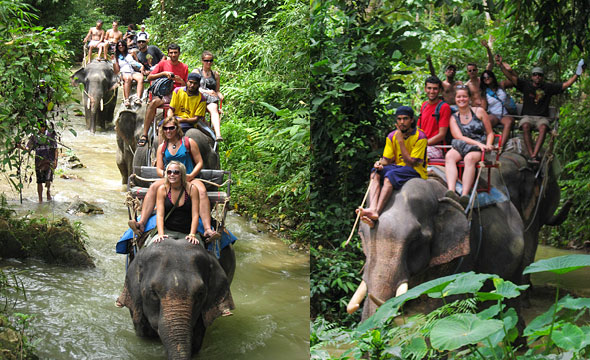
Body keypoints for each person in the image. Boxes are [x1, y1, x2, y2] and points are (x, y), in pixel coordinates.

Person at [129, 116, 219, 241]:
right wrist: (167, 175)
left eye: (171, 128)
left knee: (202, 191)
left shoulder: (188, 143)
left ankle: (208, 229)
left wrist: (191, 175)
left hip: (189, 178)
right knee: (154, 187)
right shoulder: (162, 147)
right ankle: (142, 223)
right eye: (165, 128)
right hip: (171, 178)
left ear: (177, 129)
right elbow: (159, 169)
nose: (168, 131)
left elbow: (199, 163)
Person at [497, 55, 585, 161]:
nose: (537, 77)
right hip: (527, 116)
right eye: (535, 75)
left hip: (542, 118)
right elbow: (511, 77)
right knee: (525, 126)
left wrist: (577, 73)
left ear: (542, 77)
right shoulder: (525, 85)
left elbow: (566, 85)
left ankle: (534, 154)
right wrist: (500, 65)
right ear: (532, 77)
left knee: (543, 128)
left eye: (539, 75)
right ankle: (532, 155)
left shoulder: (548, 87)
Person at [356, 106, 428, 228]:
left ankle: (377, 211)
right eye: (399, 119)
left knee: (390, 176)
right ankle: (372, 207)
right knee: (375, 172)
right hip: (398, 167)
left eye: (405, 119)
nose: (402, 122)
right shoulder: (391, 136)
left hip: (415, 170)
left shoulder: (420, 137)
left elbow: (411, 163)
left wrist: (400, 142)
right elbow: (387, 159)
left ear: (411, 120)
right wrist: (379, 163)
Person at [444, 85, 494, 208]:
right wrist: (478, 144)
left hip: (478, 147)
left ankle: (465, 194)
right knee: (449, 156)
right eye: (459, 97)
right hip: (462, 144)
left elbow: (490, 132)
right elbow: (458, 136)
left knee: (469, 159)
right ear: (455, 99)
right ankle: (451, 190)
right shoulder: (453, 117)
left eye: (464, 96)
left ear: (469, 98)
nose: (462, 99)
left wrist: (488, 144)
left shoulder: (479, 111)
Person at [138, 43, 188, 147]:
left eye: (175, 53)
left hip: (179, 94)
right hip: (165, 93)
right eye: (171, 53)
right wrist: (163, 73)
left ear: (179, 54)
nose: (173, 55)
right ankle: (145, 134)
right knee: (152, 104)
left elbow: (188, 86)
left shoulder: (184, 67)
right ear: (168, 54)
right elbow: (150, 77)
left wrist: (180, 81)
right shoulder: (163, 64)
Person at [192, 51, 224, 141]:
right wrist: (205, 91)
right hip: (199, 97)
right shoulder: (197, 72)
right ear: (202, 61)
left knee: (214, 109)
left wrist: (219, 94)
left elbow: (217, 90)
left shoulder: (215, 74)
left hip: (211, 99)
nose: (208, 63)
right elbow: (191, 86)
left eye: (210, 61)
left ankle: (218, 134)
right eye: (206, 60)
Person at [417, 76, 451, 159]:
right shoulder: (424, 105)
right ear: (425, 89)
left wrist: (423, 144)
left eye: (435, 89)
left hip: (436, 147)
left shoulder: (444, 107)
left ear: (439, 90)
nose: (432, 91)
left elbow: (442, 135)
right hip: (422, 145)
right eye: (429, 88)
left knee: (416, 155)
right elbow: (418, 128)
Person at [479, 70, 514, 150]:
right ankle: (487, 145)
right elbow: (483, 108)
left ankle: (500, 147)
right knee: (487, 122)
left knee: (509, 122)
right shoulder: (484, 92)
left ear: (492, 77)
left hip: (504, 114)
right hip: (494, 114)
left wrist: (506, 69)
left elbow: (513, 81)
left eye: (488, 77)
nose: (487, 79)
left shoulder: (501, 85)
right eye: (484, 78)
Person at [26, 122, 58, 203]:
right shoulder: (34, 136)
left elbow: (55, 148)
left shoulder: (51, 135)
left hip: (49, 160)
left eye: (43, 127)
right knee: (39, 181)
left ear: (45, 127)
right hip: (39, 162)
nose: (42, 128)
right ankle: (40, 199)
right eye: (40, 127)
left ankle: (48, 192)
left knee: (48, 180)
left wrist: (55, 160)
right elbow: (28, 148)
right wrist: (20, 147)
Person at [112, 40, 144, 107]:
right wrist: (114, 62)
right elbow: (117, 71)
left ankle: (138, 98)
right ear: (117, 47)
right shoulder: (116, 57)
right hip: (123, 72)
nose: (121, 47)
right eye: (119, 45)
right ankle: (126, 99)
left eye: (122, 45)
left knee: (140, 77)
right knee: (128, 78)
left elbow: (136, 64)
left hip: (132, 71)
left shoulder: (129, 55)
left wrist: (136, 59)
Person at [464, 40, 495, 107]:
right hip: (475, 109)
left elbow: (491, 63)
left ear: (477, 70)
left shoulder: (483, 80)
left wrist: (487, 48)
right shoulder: (467, 85)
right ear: (467, 72)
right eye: (470, 71)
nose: (472, 72)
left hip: (487, 107)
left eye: (474, 70)